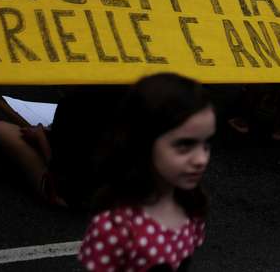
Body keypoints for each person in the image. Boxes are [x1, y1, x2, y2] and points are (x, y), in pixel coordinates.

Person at [79, 74, 214, 271]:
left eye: (206, 144)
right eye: (185, 145)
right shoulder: (114, 227)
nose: (202, 159)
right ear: (143, 143)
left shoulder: (193, 207)